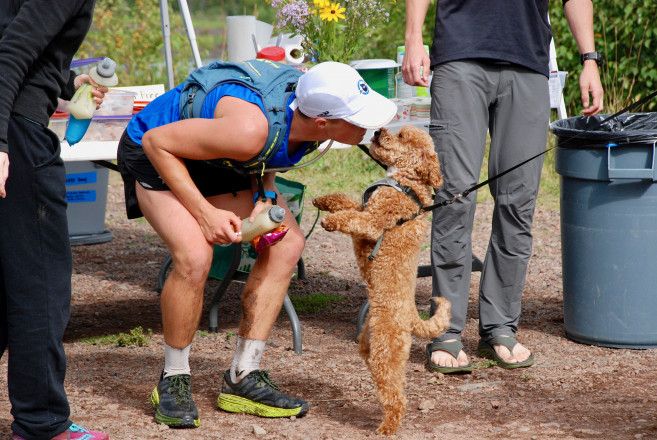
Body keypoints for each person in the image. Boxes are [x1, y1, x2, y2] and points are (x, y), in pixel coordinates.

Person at [116, 60, 397, 428]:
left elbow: (274, 147)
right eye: (359, 118)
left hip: (219, 157)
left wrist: (265, 191)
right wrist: (203, 213)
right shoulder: (248, 129)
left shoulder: (306, 110)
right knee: (195, 257)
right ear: (323, 123)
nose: (372, 126)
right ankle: (174, 378)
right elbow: (158, 143)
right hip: (157, 151)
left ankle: (242, 376)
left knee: (286, 244)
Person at [401, 0, 604, 373]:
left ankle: (499, 326)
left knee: (518, 201)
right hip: (461, 57)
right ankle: (445, 330)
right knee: (454, 198)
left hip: (528, 63)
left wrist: (589, 58)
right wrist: (414, 37)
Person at [0, 1, 110, 439]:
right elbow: (11, 51)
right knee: (40, 283)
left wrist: (66, 81)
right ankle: (42, 424)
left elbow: (19, 42)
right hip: (17, 132)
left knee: (5, 283)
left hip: (14, 118)